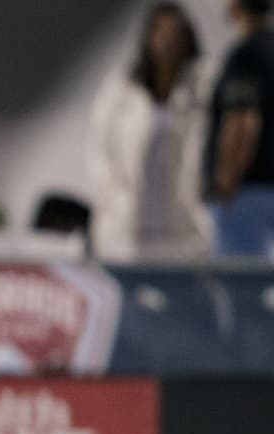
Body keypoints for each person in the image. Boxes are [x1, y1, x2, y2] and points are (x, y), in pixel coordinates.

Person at [90, 2, 210, 261]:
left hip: (184, 229)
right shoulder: (121, 88)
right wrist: (111, 197)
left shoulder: (201, 88)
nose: (167, 42)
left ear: (186, 40)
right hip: (129, 228)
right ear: (148, 38)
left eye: (174, 34)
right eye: (160, 33)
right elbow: (100, 147)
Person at [204, 0, 274, 257]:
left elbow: (243, 122)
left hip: (249, 195)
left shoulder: (247, 54)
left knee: (241, 289)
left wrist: (224, 185)